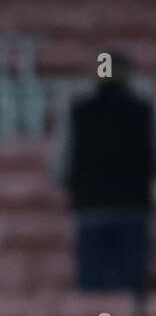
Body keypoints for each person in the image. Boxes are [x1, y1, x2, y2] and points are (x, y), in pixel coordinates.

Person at [66, 55, 154, 298]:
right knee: (131, 288)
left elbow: (60, 163)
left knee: (92, 292)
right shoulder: (144, 111)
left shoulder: (79, 112)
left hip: (91, 210)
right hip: (133, 209)